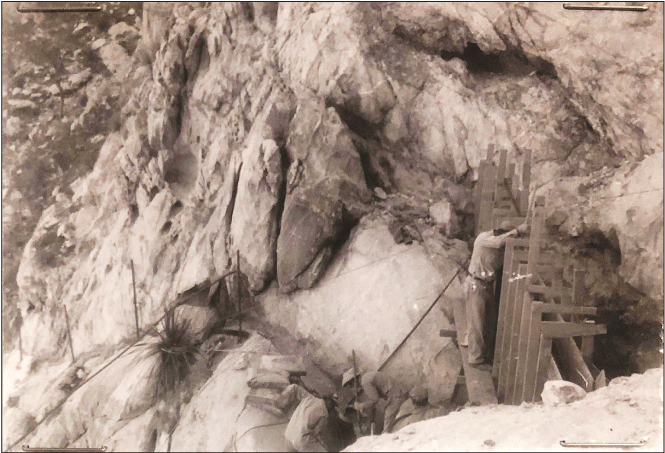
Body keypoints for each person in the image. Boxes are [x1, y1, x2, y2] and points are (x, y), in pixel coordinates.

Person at [464, 220, 528, 368]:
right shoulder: (485, 238)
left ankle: (480, 352)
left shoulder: (500, 248)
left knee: (488, 322)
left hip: (486, 285)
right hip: (476, 283)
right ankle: (475, 360)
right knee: (477, 323)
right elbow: (499, 242)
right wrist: (518, 230)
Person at [353, 370, 408, 435]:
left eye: (351, 385)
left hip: (396, 394)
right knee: (390, 418)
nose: (353, 387)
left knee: (387, 424)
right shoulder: (366, 377)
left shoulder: (364, 382)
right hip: (398, 391)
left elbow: (375, 399)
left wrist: (361, 406)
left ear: (354, 381)